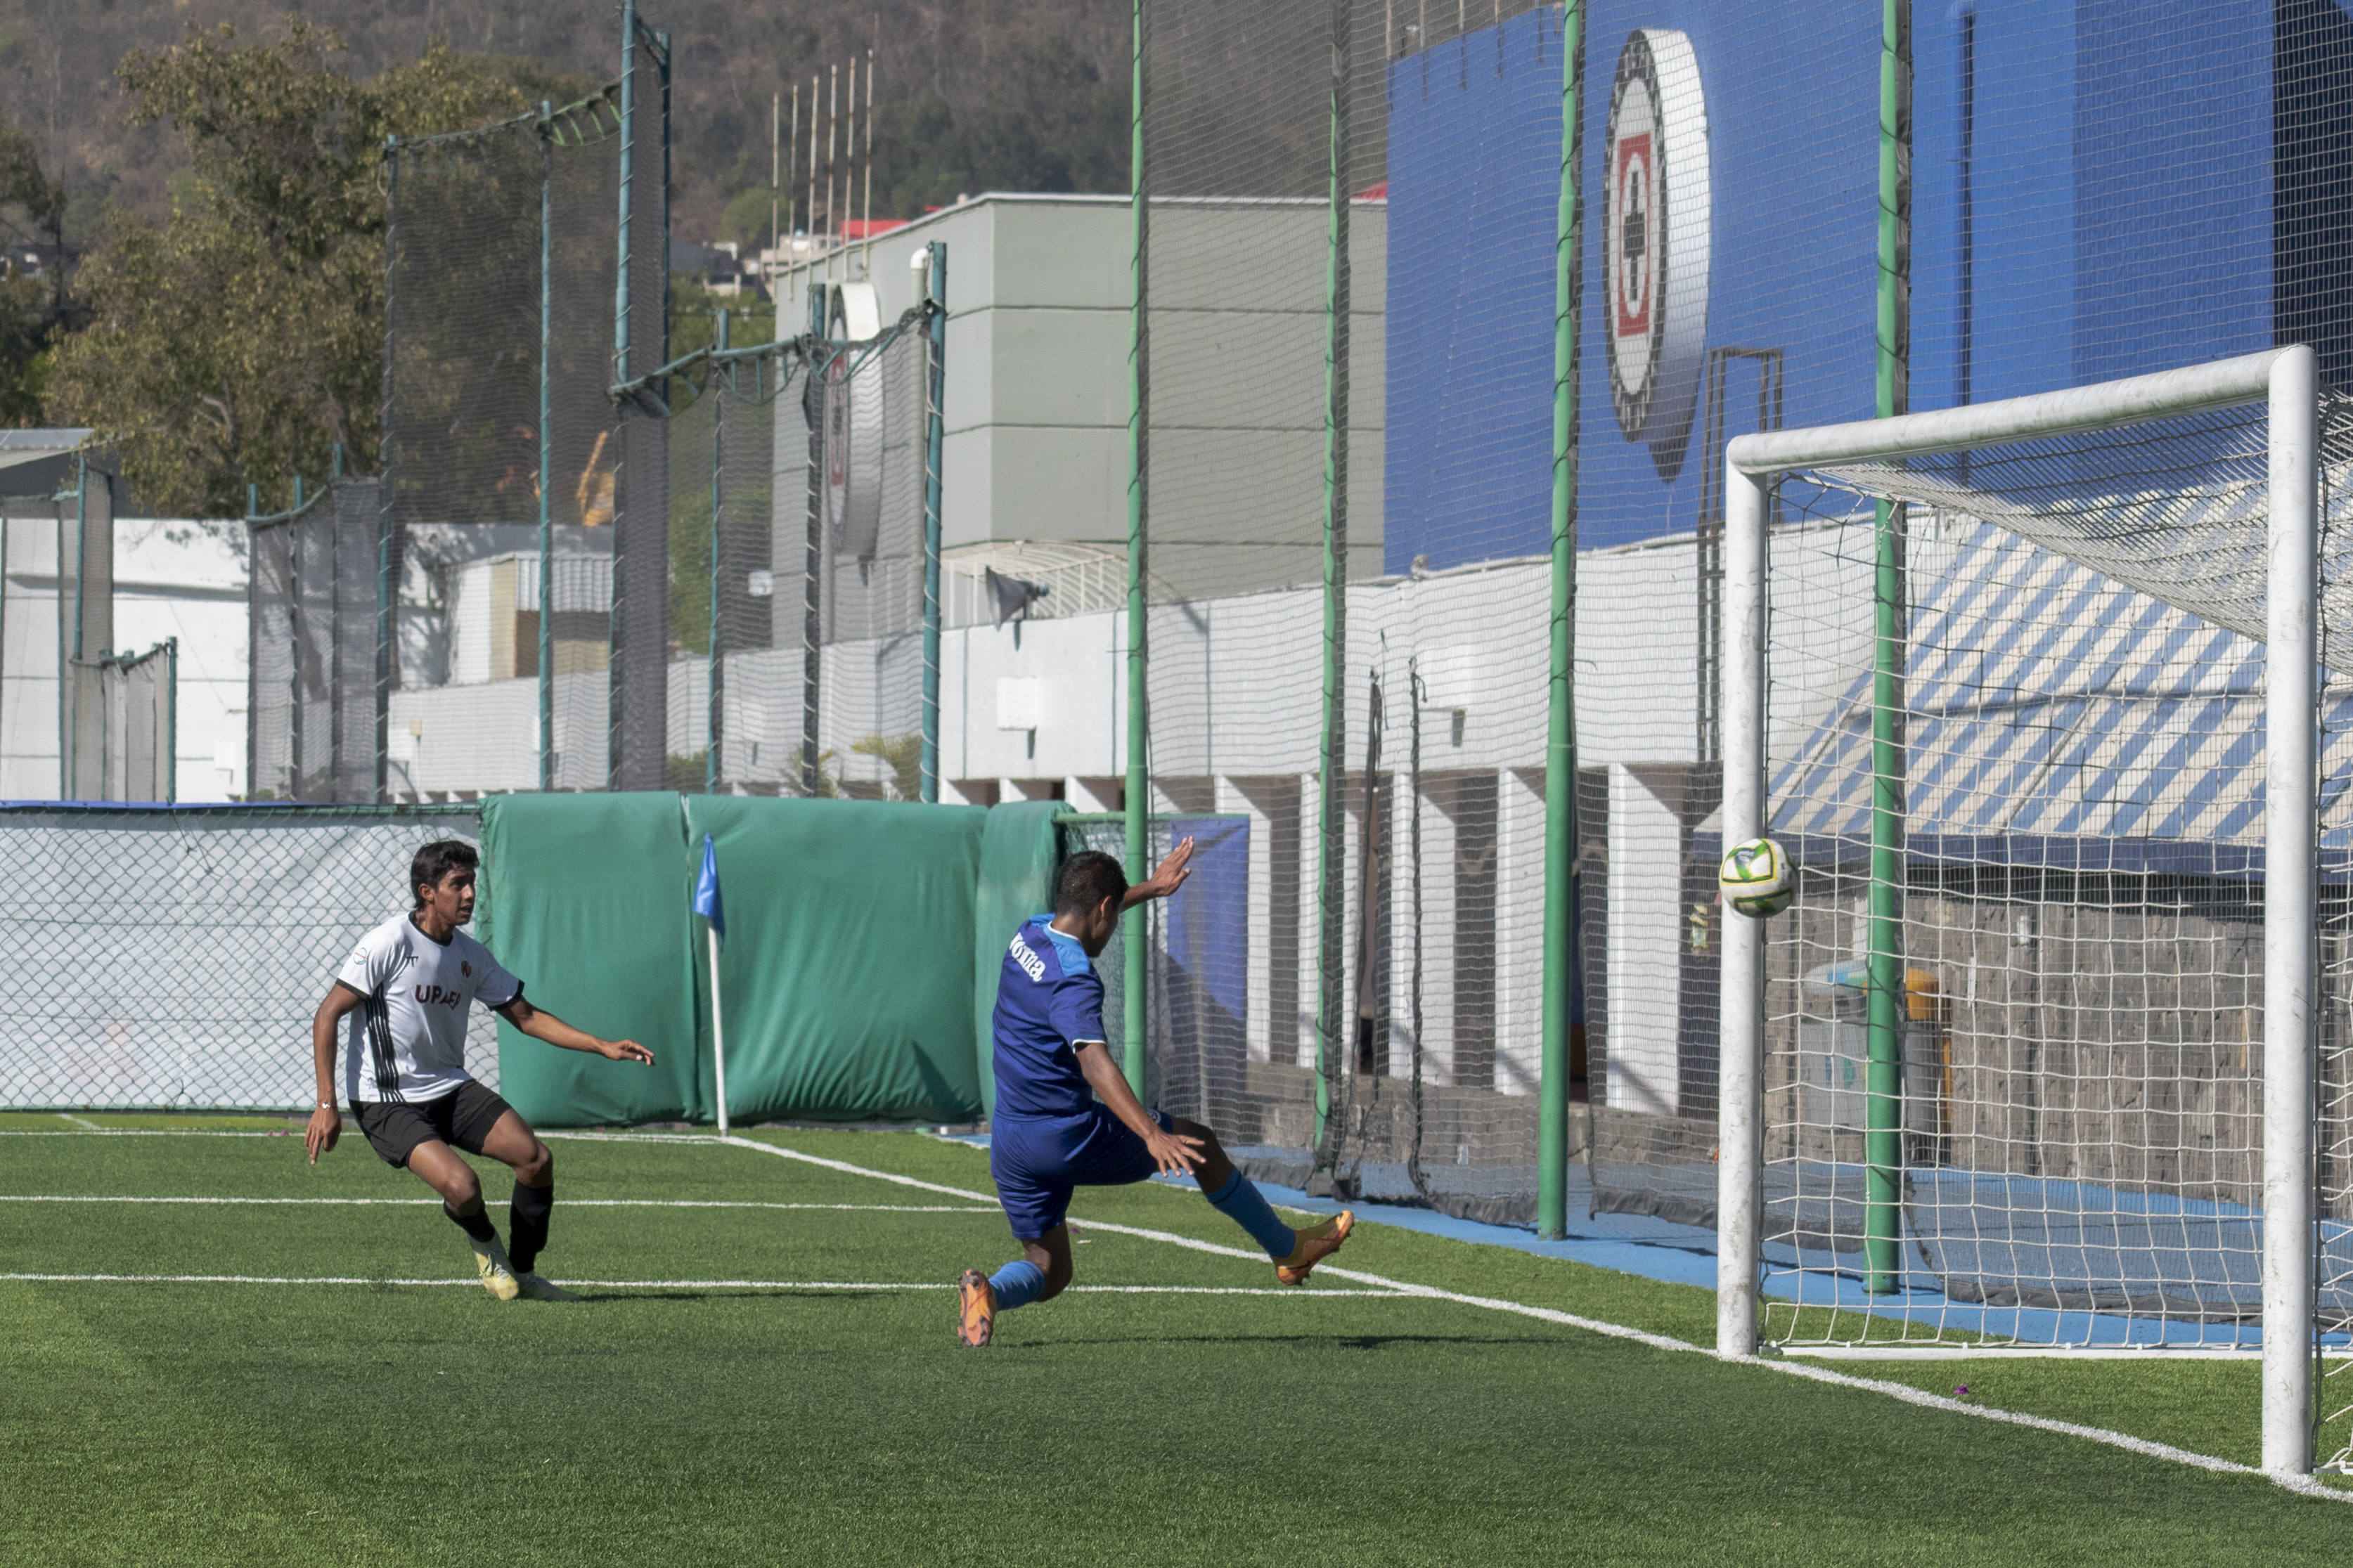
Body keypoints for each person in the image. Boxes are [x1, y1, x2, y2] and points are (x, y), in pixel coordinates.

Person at [956, 845, 1353, 1347]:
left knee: (1048, 1269)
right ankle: (1287, 1250)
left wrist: (1149, 888)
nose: (1113, 924)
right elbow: (1093, 1059)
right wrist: (1150, 1133)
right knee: (1200, 1145)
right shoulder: (1074, 979)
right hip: (1065, 1136)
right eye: (1114, 912)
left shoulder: (1029, 933)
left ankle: (989, 1292)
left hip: (1010, 1140)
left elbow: (1094, 903)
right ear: (1104, 909)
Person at [302, 839, 655, 1301]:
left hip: (449, 1087)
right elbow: (328, 1013)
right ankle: (487, 1245)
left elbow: (526, 1017)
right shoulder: (389, 941)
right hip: (386, 1100)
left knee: (536, 1159)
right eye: (458, 884)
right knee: (464, 1186)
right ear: (428, 892)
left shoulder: (471, 955)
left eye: (472, 882)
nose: (470, 893)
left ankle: (525, 1275)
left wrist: (601, 1045)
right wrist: (326, 1103)